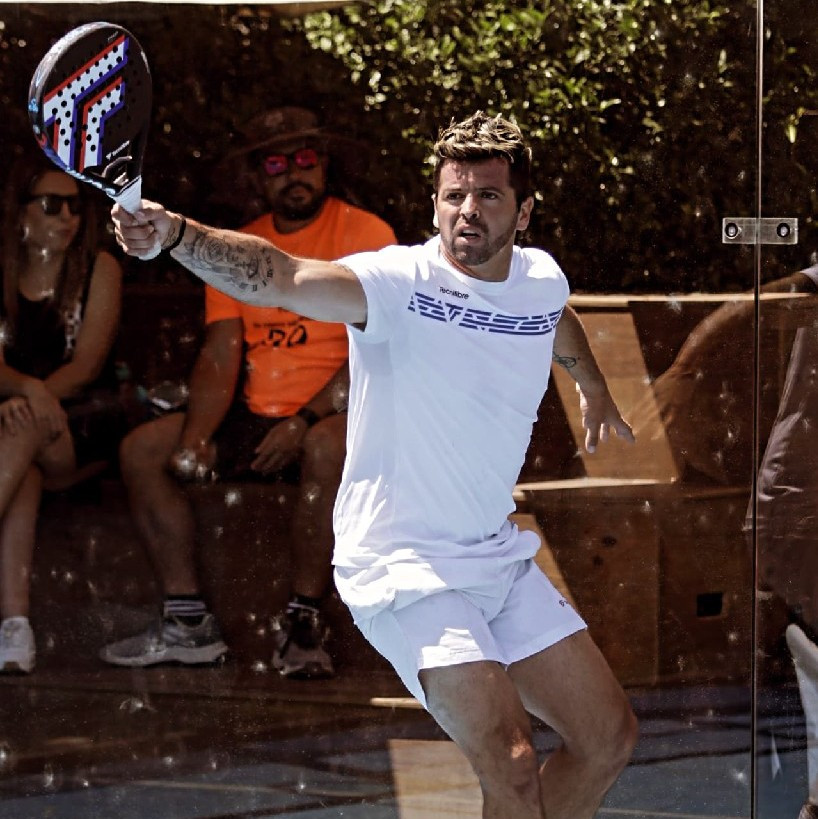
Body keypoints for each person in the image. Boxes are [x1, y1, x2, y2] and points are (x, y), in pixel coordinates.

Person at [112, 111, 638, 818]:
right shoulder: (397, 283)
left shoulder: (538, 277)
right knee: (511, 760)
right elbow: (282, 275)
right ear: (434, 205)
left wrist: (592, 384)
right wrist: (176, 233)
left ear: (524, 213)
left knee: (607, 737)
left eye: (487, 196)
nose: (467, 210)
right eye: (454, 196)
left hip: (495, 555)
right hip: (403, 566)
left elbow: (552, 316)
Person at [100, 107, 397, 679]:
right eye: (276, 164)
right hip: (257, 414)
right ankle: (187, 620)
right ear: (258, 176)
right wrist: (197, 436)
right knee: (142, 451)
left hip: (336, 414)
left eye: (304, 159)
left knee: (326, 447)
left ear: (324, 165)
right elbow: (222, 351)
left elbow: (377, 349)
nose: (294, 174)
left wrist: (304, 419)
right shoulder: (237, 245)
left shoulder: (367, 235)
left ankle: (304, 622)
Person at [0, 149, 126, 674]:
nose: (68, 217)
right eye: (52, 205)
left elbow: (86, 366)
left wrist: (32, 397)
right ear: (21, 210)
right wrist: (27, 389)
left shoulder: (99, 267)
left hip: (83, 420)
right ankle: (15, 630)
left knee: (22, 428)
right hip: (17, 425)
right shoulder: (3, 269)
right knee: (22, 471)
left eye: (76, 205)